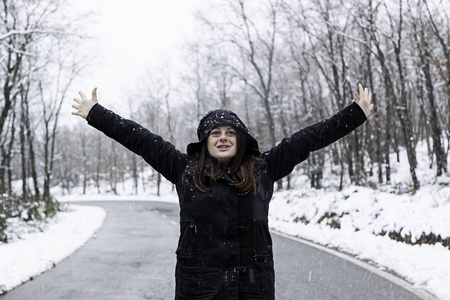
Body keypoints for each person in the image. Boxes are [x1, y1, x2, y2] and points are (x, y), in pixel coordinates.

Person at [72, 84, 372, 300]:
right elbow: (140, 139)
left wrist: (354, 114)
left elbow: (308, 139)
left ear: (241, 140)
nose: (223, 138)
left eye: (230, 133)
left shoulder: (263, 169)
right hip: (199, 287)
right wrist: (96, 114)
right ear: (205, 142)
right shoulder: (184, 170)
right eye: (215, 133)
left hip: (252, 286)